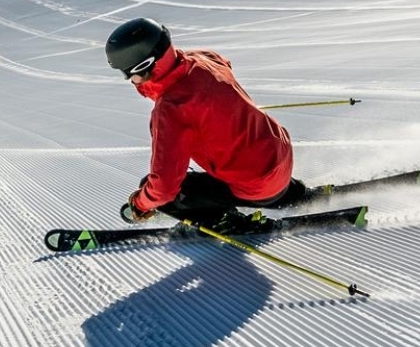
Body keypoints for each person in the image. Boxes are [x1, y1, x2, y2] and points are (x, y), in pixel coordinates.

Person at [106, 17, 311, 231]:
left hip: (257, 184)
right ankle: (293, 193)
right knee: (246, 161)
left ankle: (223, 220)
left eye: (128, 73)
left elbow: (164, 188)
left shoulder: (171, 108)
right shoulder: (203, 58)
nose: (130, 80)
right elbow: (222, 64)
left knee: (157, 191)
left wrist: (140, 204)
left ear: (144, 67)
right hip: (280, 155)